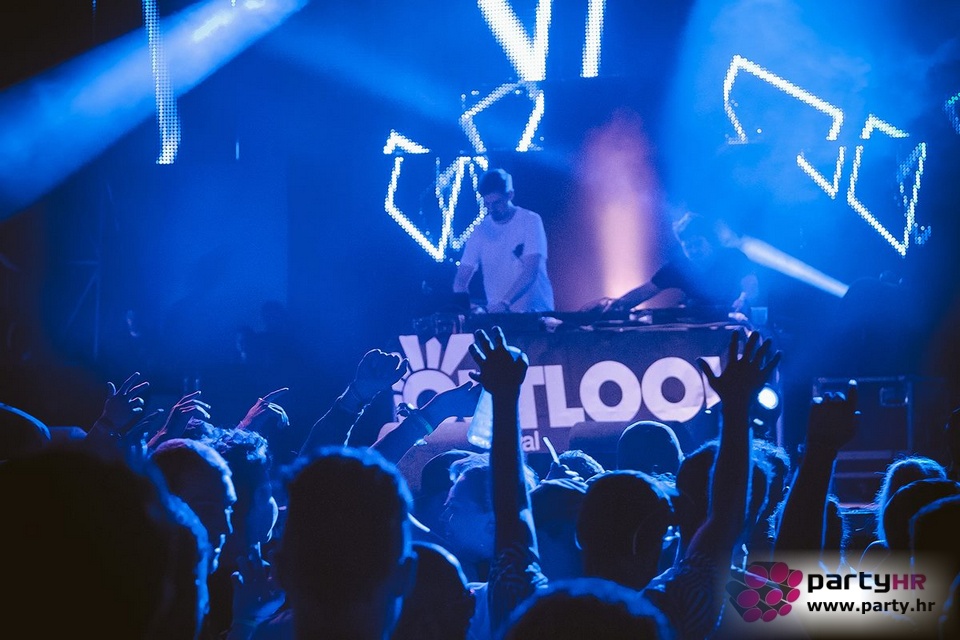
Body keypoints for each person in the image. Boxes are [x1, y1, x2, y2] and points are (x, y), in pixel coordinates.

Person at [609, 212, 758, 313]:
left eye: (697, 244)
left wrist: (743, 300)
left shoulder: (734, 257)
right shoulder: (677, 267)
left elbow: (750, 284)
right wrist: (616, 306)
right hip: (697, 327)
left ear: (711, 241)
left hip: (735, 321)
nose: (693, 250)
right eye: (687, 246)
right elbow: (646, 291)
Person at [454, 169, 554, 313]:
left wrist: (505, 303)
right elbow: (461, 278)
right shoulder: (480, 230)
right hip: (499, 314)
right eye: (487, 204)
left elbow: (531, 270)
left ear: (510, 195)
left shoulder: (530, 220)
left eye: (497, 203)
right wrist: (466, 306)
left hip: (535, 311)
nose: (492, 209)